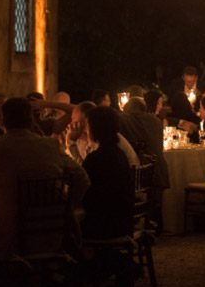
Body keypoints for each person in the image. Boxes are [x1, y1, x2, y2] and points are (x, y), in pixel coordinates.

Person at [0, 98, 89, 260]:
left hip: (9, 238)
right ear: (31, 121)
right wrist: (66, 207)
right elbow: (83, 179)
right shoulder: (51, 146)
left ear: (2, 121)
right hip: (51, 233)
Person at [81, 106, 134, 239]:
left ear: (95, 129)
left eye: (87, 126)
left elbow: (83, 192)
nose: (85, 130)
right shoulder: (119, 154)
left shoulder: (96, 159)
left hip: (104, 224)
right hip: (123, 221)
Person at [62, 101, 139, 166]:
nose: (71, 126)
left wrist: (70, 143)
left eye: (76, 122)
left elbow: (84, 174)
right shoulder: (109, 146)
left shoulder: (106, 151)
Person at [120, 97, 169, 193]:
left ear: (128, 108)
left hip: (139, 176)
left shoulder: (124, 120)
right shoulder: (156, 121)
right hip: (159, 172)